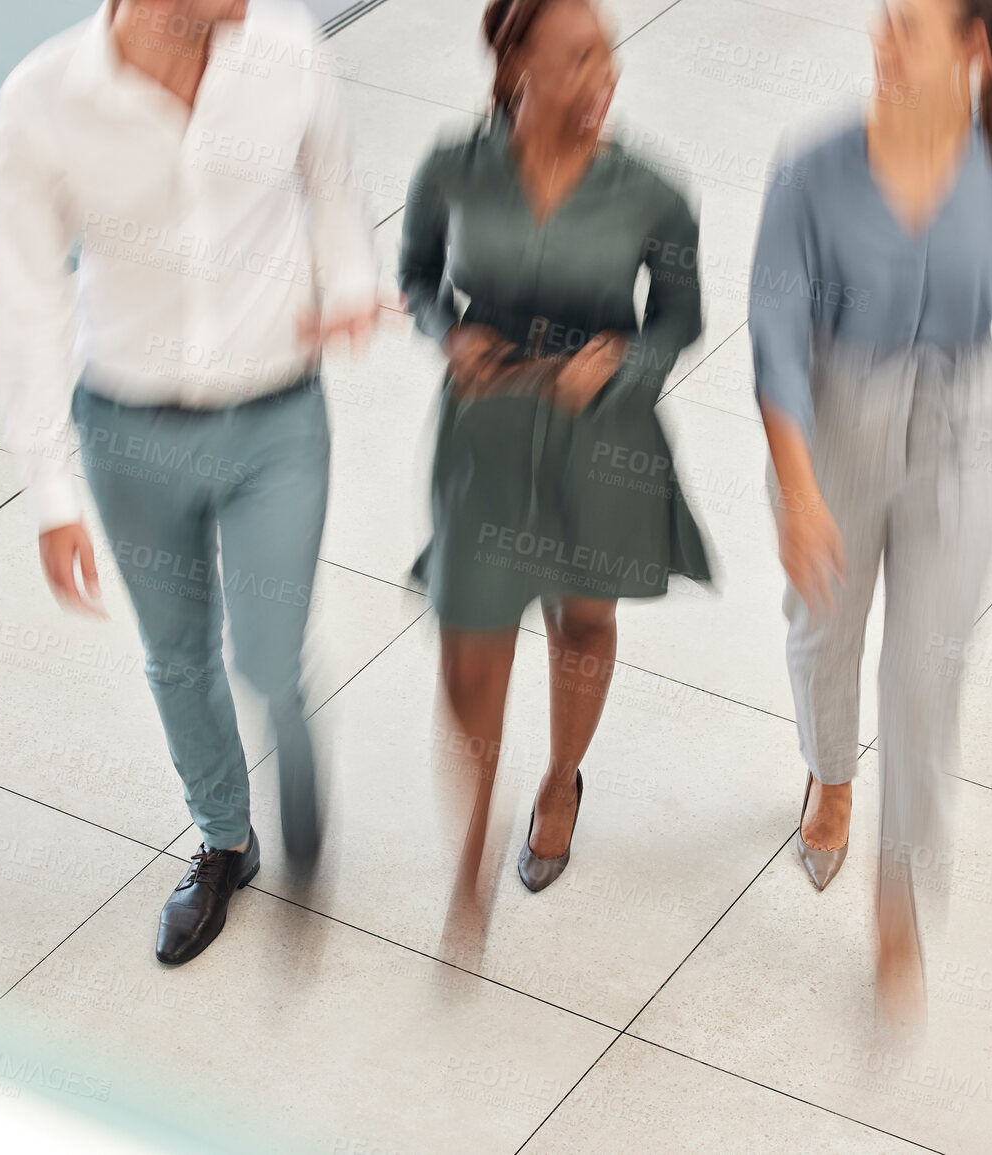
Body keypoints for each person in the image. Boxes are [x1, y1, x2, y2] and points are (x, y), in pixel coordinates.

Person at [0, 0, 380, 966]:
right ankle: (223, 841)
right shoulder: (41, 103)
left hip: (276, 417)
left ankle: (286, 724)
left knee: (267, 643)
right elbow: (29, 300)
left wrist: (351, 282)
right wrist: (49, 490)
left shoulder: (286, 51)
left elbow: (330, 186)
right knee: (175, 654)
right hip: (130, 429)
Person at [751, 0, 992, 1016]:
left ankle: (899, 895)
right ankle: (830, 772)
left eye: (911, 30)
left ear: (973, 48)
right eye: (883, 21)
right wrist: (798, 492)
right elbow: (775, 341)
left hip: (959, 428)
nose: (882, 45)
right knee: (824, 632)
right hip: (836, 419)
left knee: (930, 667)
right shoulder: (811, 171)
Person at [398, 0, 708, 935]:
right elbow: (416, 279)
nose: (601, 77)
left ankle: (562, 777)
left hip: (600, 439)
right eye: (577, 58)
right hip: (485, 433)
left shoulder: (652, 191)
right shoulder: (451, 170)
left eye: (607, 58)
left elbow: (680, 317)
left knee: (583, 617)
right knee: (473, 642)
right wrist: (446, 334)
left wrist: (624, 363)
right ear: (515, 61)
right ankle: (470, 851)